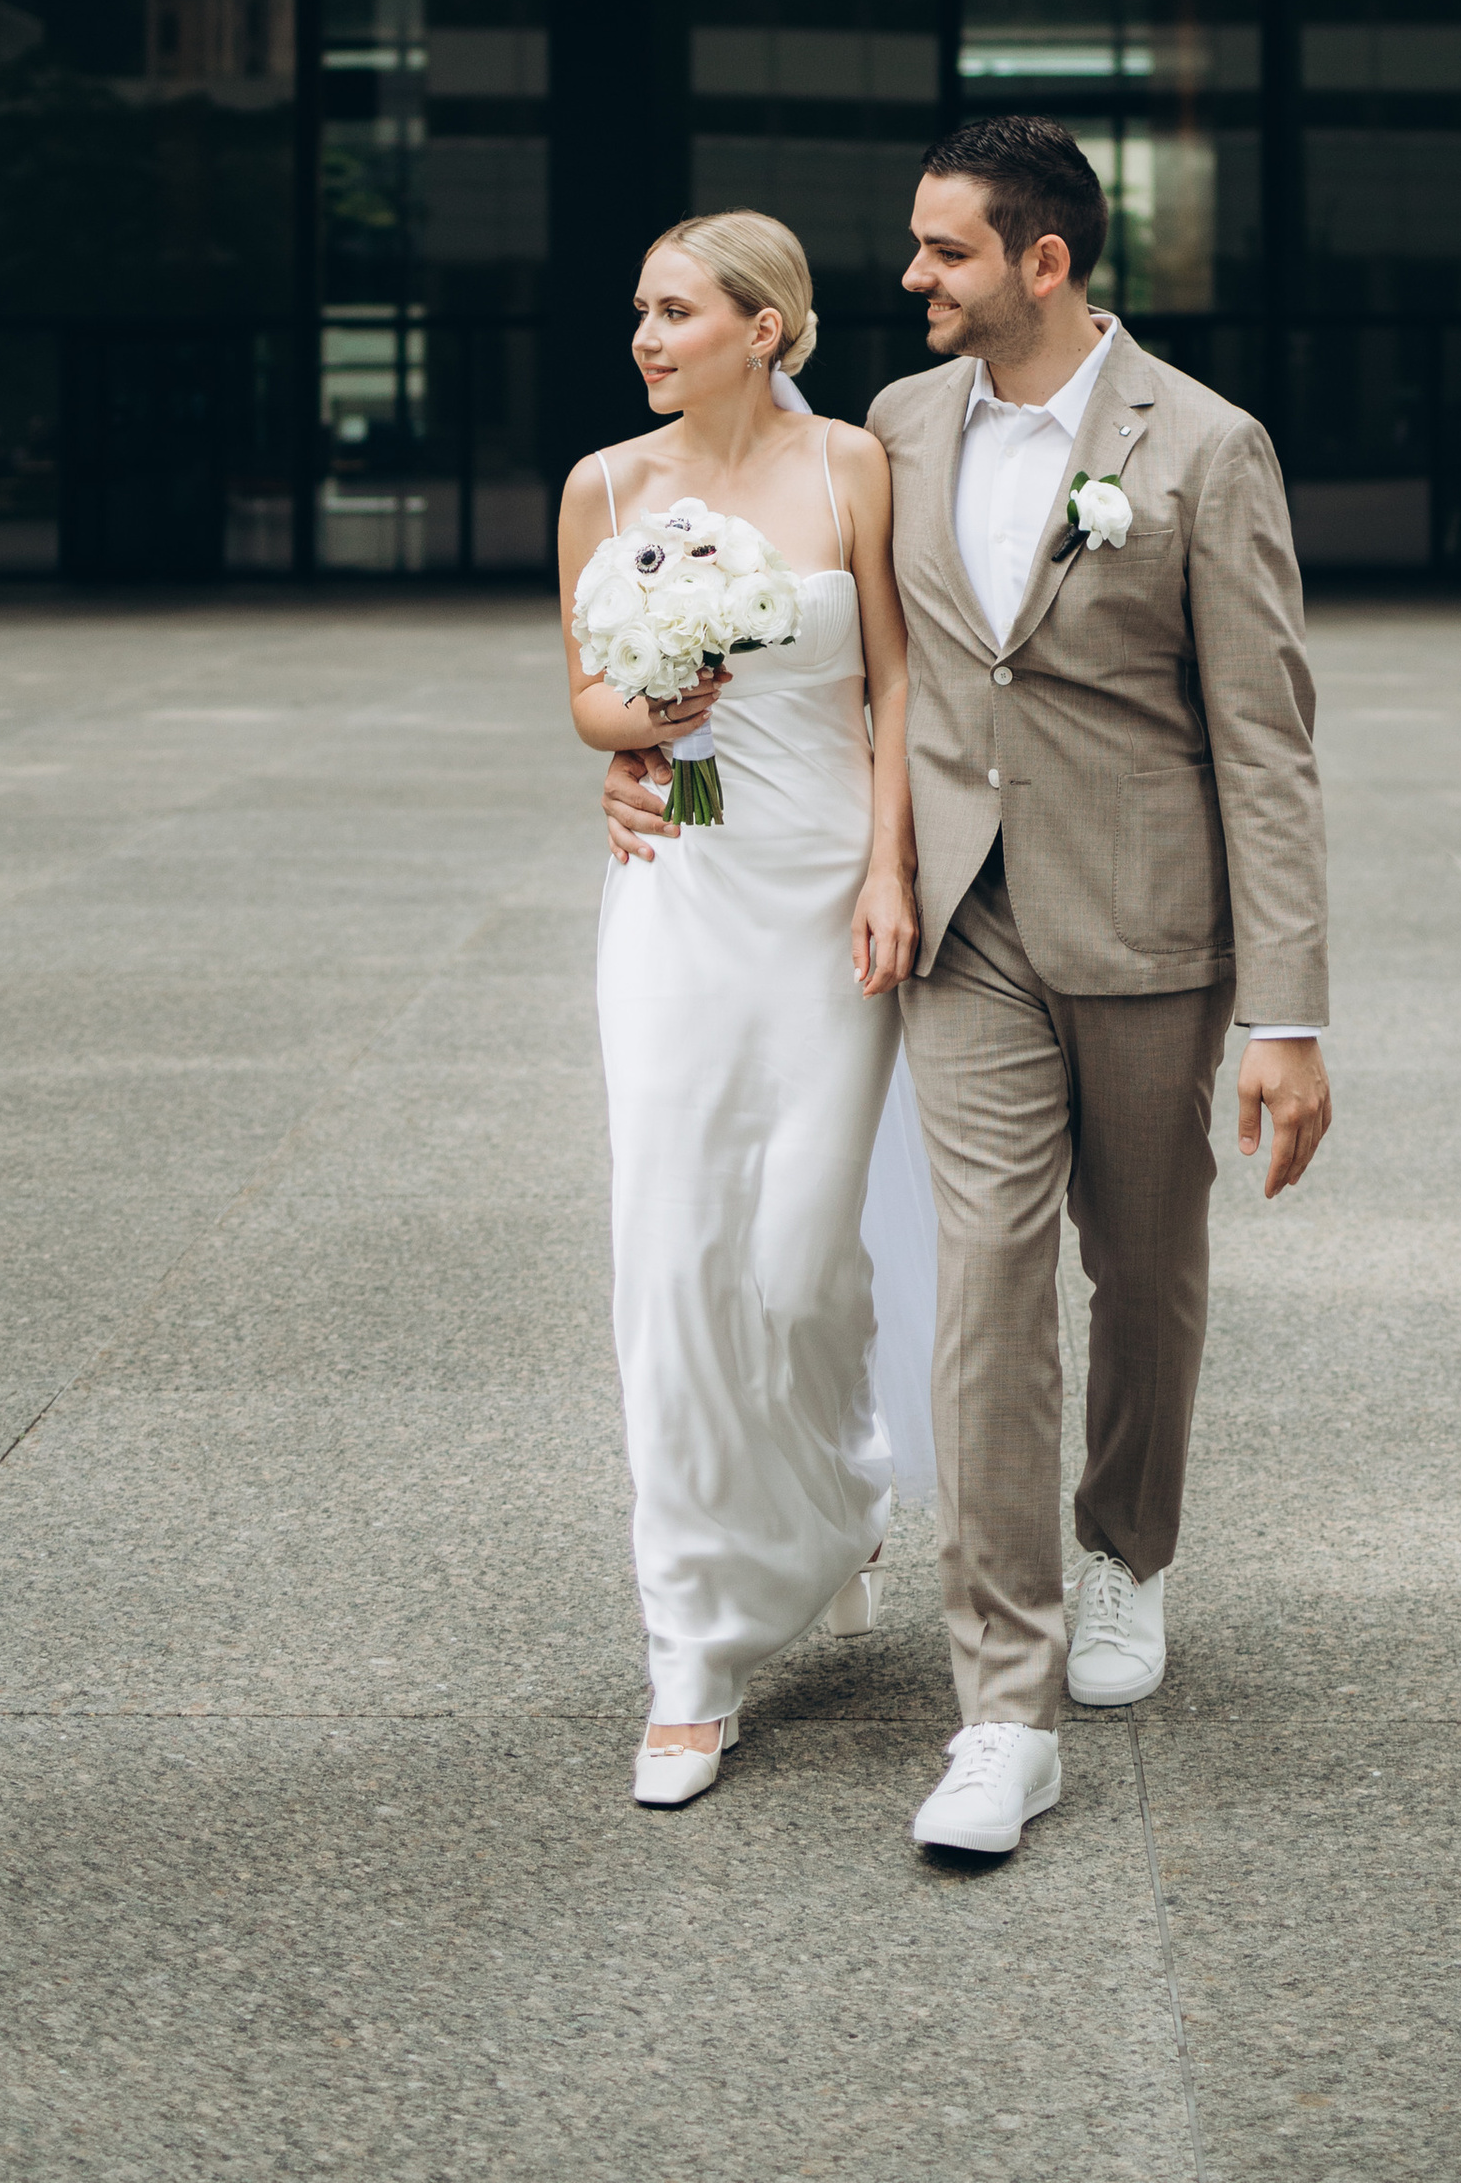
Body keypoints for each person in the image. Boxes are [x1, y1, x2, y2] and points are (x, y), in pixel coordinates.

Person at [606, 116, 1333, 1864]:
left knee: (1143, 1267)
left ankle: (1125, 1549)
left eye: (942, 253)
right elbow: (842, 661)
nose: (910, 278)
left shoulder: (1209, 447)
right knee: (989, 1289)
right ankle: (1001, 1707)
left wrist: (1288, 1015)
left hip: (1153, 923)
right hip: (962, 931)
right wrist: (643, 762)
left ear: (1045, 265)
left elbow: (1268, 739)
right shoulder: (896, 437)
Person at [558, 211, 929, 1810]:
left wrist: (890, 873)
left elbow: (900, 685)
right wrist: (632, 734)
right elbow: (577, 692)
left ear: (766, 325)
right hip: (677, 894)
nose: (646, 337)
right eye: (640, 312)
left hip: (825, 886)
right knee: (673, 1252)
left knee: (798, 1261)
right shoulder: (605, 484)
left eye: (678, 311)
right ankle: (692, 1655)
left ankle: (841, 1495)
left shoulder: (855, 470)